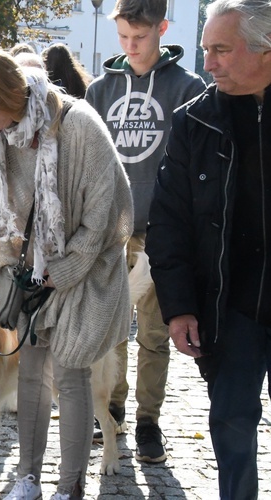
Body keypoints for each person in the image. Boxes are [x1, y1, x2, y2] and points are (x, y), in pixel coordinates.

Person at [0, 49, 132, 500]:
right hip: (24, 277)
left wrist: (64, 268)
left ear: (11, 95)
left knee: (72, 375)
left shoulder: (81, 127)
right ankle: (26, 480)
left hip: (82, 272)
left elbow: (105, 216)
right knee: (31, 374)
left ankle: (69, 486)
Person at [146, 0, 271, 497]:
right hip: (232, 306)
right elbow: (168, 223)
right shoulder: (194, 122)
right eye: (206, 49)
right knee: (232, 425)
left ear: (265, 51)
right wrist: (178, 309)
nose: (208, 63)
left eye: (221, 49)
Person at [84, 0, 206, 463]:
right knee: (110, 329)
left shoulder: (188, 88)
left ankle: (148, 421)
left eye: (140, 38)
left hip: (164, 234)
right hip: (110, 231)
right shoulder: (101, 90)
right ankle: (110, 411)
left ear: (162, 29)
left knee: (155, 334)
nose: (131, 48)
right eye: (123, 39)